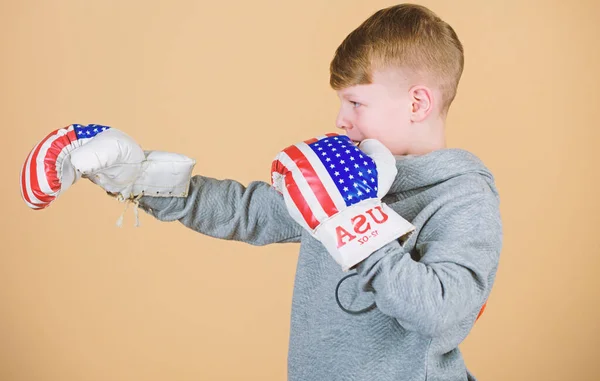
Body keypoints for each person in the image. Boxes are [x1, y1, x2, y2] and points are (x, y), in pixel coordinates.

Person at [22, 3, 502, 380]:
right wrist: (138, 176)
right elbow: (244, 210)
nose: (341, 119)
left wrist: (357, 224)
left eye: (356, 102)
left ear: (418, 102)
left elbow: (444, 315)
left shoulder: (462, 197)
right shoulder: (342, 173)